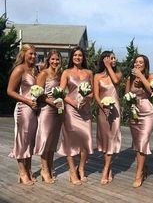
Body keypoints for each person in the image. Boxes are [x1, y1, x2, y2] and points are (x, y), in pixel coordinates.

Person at [57, 46, 93, 185]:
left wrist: (87, 99)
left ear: (83, 58)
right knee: (70, 141)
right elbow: (60, 92)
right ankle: (72, 171)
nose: (78, 57)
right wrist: (72, 102)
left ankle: (82, 168)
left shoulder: (89, 72)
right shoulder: (66, 72)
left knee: (86, 139)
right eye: (75, 55)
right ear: (72, 57)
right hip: (71, 110)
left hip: (85, 110)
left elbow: (92, 92)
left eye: (80, 55)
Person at [7, 44, 38, 185]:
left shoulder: (35, 70)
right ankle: (22, 173)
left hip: (35, 110)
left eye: (34, 54)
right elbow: (10, 91)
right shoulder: (19, 69)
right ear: (24, 54)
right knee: (22, 140)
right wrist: (27, 101)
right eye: (30, 53)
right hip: (23, 109)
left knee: (31, 140)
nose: (33, 56)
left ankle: (29, 170)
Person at [125, 54, 153, 188]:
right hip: (134, 113)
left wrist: (141, 77)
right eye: (136, 62)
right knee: (138, 144)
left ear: (145, 65)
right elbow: (126, 96)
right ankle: (144, 168)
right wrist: (130, 102)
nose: (138, 64)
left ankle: (138, 175)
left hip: (147, 112)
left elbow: (152, 91)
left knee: (143, 142)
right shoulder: (129, 78)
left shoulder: (151, 76)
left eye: (141, 62)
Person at [34, 50, 63, 183]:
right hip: (46, 110)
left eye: (57, 59)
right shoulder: (43, 73)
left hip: (58, 111)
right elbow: (39, 94)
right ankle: (44, 169)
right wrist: (52, 103)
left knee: (52, 141)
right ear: (48, 59)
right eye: (53, 59)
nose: (55, 62)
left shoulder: (59, 74)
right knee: (45, 140)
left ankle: (50, 168)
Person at [94, 51, 122, 185]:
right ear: (104, 60)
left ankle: (105, 169)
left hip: (115, 111)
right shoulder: (97, 76)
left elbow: (116, 81)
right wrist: (103, 107)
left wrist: (109, 66)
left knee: (112, 138)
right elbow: (96, 95)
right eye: (111, 58)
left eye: (114, 57)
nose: (114, 59)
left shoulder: (118, 74)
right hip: (102, 111)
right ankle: (109, 167)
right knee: (106, 140)